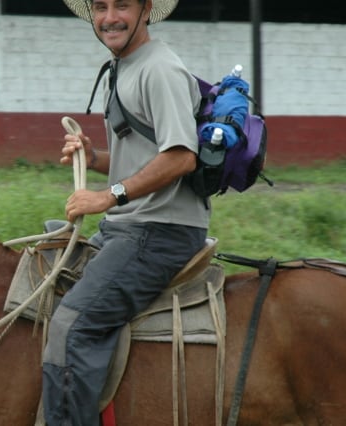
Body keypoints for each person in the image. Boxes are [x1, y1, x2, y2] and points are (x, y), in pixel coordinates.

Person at [41, 0, 209, 424]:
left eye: (122, 5)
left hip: (160, 231)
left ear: (146, 9)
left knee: (70, 327)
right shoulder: (123, 66)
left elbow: (180, 158)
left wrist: (107, 196)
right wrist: (95, 156)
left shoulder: (160, 69)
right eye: (100, 6)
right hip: (129, 226)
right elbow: (142, 157)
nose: (110, 17)